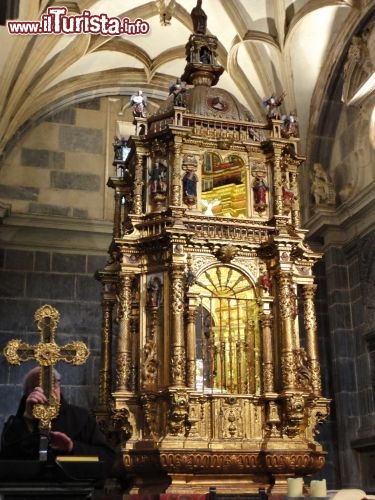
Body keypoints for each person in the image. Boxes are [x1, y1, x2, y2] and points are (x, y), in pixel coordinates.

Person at [0, 367, 115, 474]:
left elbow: (107, 457)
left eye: (53, 384)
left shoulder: (81, 417)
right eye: (38, 386)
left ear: (59, 387)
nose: (47, 391)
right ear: (27, 394)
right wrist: (28, 420)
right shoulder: (17, 422)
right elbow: (6, 458)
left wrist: (71, 447)